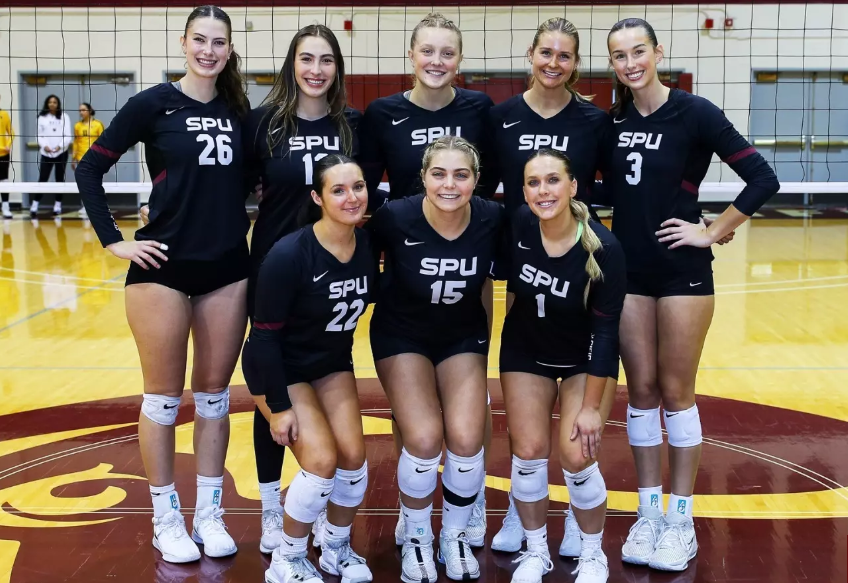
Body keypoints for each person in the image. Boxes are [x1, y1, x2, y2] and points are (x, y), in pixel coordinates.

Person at [75, 5, 251, 564]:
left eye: (218, 42)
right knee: (162, 398)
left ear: (228, 49)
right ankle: (165, 515)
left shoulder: (240, 110)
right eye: (199, 40)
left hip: (226, 267)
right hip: (161, 269)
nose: (208, 50)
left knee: (215, 397)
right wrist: (113, 240)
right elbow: (89, 168)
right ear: (183, 43)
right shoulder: (152, 102)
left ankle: (209, 513)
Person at [605, 18, 779, 572]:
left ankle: (680, 518)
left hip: (682, 273)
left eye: (639, 51)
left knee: (677, 390)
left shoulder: (695, 111)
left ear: (658, 52)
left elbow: (762, 178)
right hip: (628, 272)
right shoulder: (611, 120)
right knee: (642, 390)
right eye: (618, 55)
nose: (630, 62)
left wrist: (710, 229)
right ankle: (648, 510)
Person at [358, 13, 496, 546]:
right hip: (409, 257)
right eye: (428, 51)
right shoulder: (384, 113)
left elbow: (493, 179)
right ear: (411, 56)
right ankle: (411, 505)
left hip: (469, 254)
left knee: (469, 401)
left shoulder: (479, 109)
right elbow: (366, 190)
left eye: (448, 53)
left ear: (459, 62)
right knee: (414, 412)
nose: (437, 61)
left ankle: (472, 498)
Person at [488, 17, 611, 556]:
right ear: (530, 56)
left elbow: (618, 184)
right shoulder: (502, 117)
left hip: (576, 259)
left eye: (565, 56)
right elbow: (484, 187)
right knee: (528, 414)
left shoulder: (593, 120)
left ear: (576, 64)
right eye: (546, 53)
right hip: (522, 257)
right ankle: (522, 512)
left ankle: (586, 541)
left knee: (574, 436)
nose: (553, 63)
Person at [240, 23, 361, 555]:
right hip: (274, 266)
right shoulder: (264, 123)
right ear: (293, 63)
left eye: (327, 60)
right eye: (306, 59)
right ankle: (272, 508)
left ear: (337, 68)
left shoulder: (352, 126)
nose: (316, 70)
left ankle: (321, 514)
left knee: (319, 359)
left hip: (332, 267)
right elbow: (225, 185)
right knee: (270, 377)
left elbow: (365, 189)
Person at [366, 136, 504, 582]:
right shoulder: (394, 217)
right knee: (424, 438)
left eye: (461, 175)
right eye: (439, 174)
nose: (450, 184)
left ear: (476, 181)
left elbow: (553, 229)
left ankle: (456, 535)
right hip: (401, 334)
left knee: (467, 439)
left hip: (460, 336)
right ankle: (419, 535)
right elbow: (342, 245)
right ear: (423, 177)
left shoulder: (492, 218)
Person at [242, 154, 375, 583]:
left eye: (357, 186)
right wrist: (278, 407)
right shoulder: (289, 255)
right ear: (318, 197)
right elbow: (262, 340)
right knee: (320, 459)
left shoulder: (368, 241)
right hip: (279, 367)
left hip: (331, 362)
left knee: (354, 460)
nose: (351, 197)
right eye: (338, 190)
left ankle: (335, 547)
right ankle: (288, 558)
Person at [498, 150, 624, 583]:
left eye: (553, 181)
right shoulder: (518, 224)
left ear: (573, 188)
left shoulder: (604, 248)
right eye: (533, 182)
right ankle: (536, 552)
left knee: (576, 454)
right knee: (528, 452)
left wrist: (591, 408)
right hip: (525, 352)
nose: (543, 191)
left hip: (583, 360)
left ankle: (592, 554)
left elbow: (607, 336)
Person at [34, 94, 73, 216]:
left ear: (58, 104)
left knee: (59, 179)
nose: (52, 104)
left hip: (61, 152)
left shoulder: (64, 117)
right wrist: (45, 146)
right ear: (47, 104)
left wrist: (59, 146)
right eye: (50, 102)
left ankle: (57, 205)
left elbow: (68, 136)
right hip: (46, 153)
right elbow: (39, 135)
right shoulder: (41, 118)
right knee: (43, 179)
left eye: (55, 102)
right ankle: (35, 205)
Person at [72, 102, 105, 219]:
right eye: (79, 110)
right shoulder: (77, 126)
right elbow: (76, 142)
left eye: (83, 110)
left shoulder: (98, 124)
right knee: (83, 183)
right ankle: (85, 206)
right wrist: (73, 157)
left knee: (95, 182)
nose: (81, 112)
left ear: (90, 110)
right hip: (81, 158)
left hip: (94, 158)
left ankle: (97, 206)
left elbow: (103, 141)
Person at [0, 96, 15, 219]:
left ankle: (6, 208)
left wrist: (8, 145)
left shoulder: (4, 114)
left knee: (4, 180)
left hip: (3, 154)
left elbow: (11, 133)